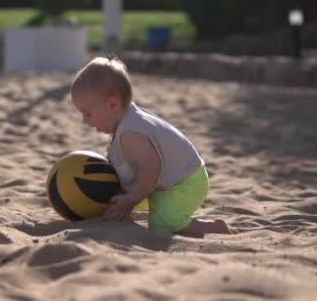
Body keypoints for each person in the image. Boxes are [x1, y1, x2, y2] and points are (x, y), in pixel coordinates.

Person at [70, 55, 232, 237]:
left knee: (163, 224)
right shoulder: (125, 121)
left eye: (87, 113)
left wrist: (131, 199)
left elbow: (151, 170)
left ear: (112, 104)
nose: (84, 121)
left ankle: (214, 228)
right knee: (119, 197)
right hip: (163, 182)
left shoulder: (132, 133)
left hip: (184, 182)